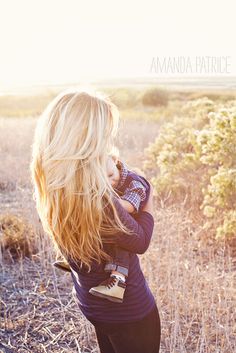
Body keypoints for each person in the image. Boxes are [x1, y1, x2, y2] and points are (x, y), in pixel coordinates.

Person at [30, 89, 161, 353]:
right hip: (130, 313)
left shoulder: (56, 187)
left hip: (93, 307)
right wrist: (148, 201)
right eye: (103, 135)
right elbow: (140, 240)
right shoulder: (97, 198)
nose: (107, 143)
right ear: (84, 140)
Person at [54, 154, 152, 304]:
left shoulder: (135, 182)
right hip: (117, 218)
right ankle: (80, 259)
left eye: (111, 175)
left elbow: (130, 206)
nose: (110, 181)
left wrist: (107, 201)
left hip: (130, 222)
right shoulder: (109, 177)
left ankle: (118, 282)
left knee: (120, 248)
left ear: (115, 160)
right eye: (103, 179)